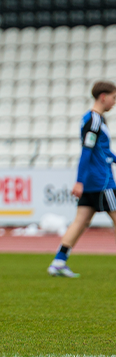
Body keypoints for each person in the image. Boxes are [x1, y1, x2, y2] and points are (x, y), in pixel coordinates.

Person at [48, 80, 116, 278]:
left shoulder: (94, 119)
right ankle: (58, 262)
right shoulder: (94, 121)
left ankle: (59, 261)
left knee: (80, 221)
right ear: (103, 97)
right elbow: (86, 152)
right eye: (113, 98)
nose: (114, 102)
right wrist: (79, 181)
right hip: (101, 181)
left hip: (91, 180)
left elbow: (103, 151)